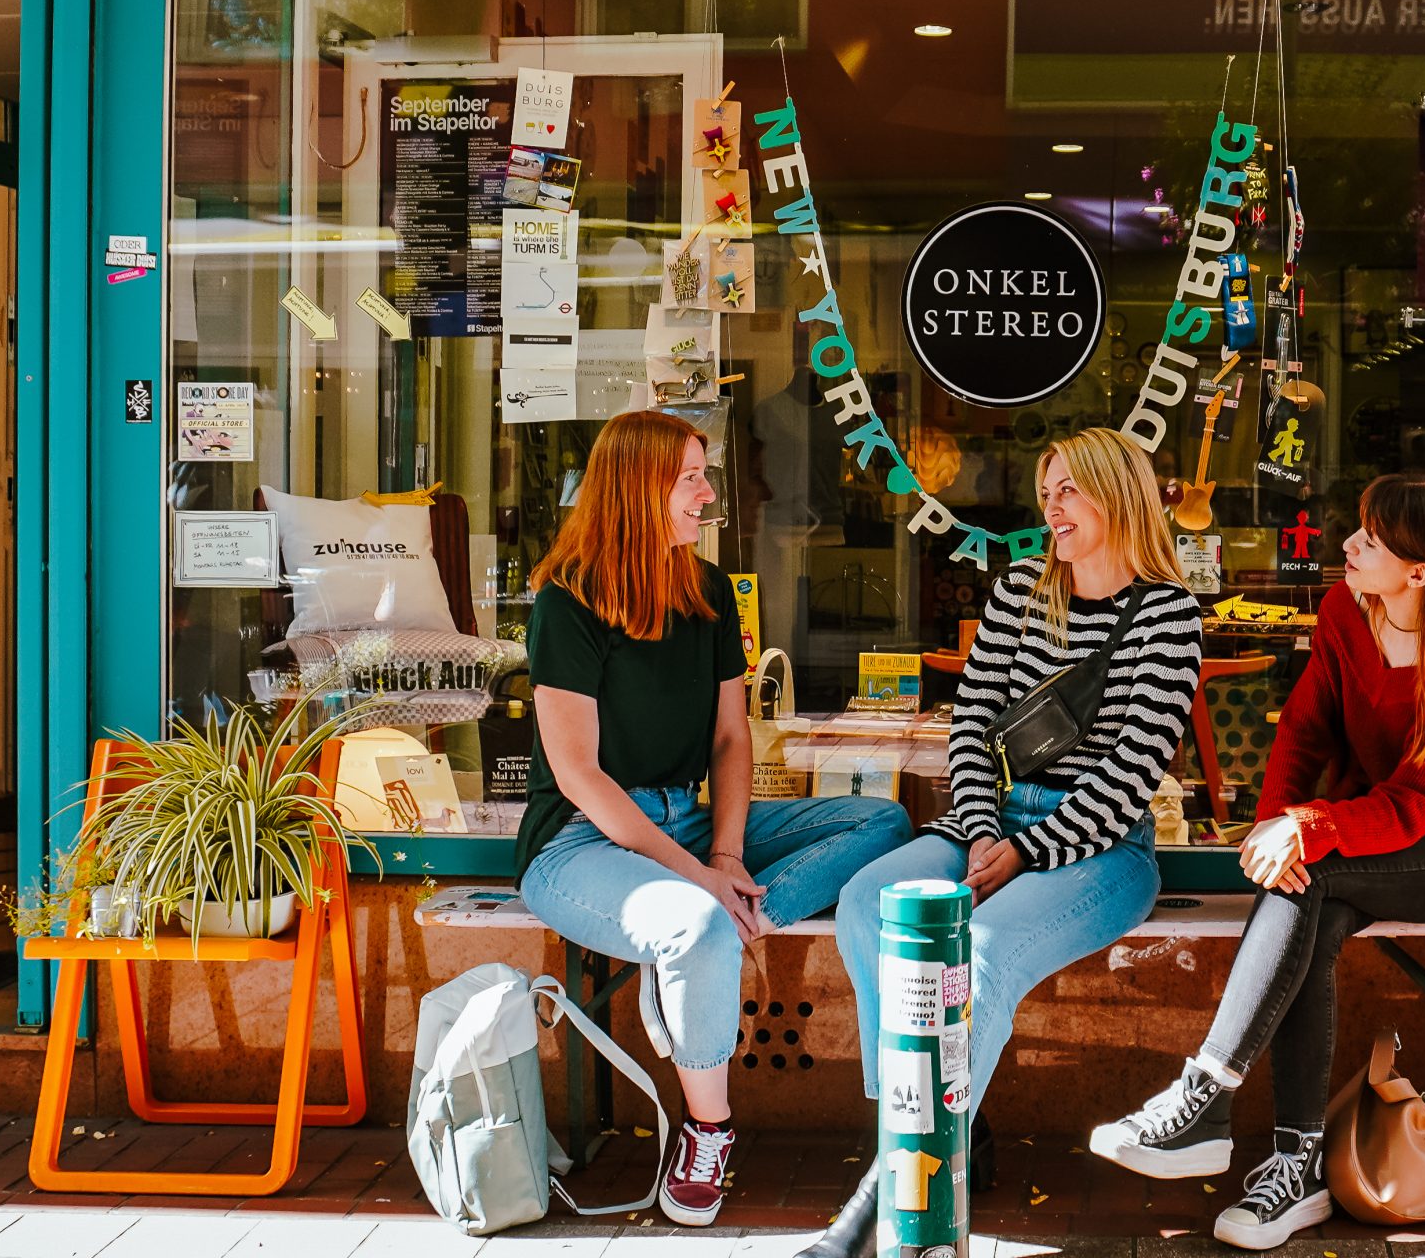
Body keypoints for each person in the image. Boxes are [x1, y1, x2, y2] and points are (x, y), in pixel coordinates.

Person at [801, 427, 1206, 1258]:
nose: (1050, 509)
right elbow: (974, 727)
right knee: (865, 903)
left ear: (1116, 496)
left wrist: (1028, 850)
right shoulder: (1023, 588)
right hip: (986, 823)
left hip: (1100, 848)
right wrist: (987, 830)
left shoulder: (1167, 615)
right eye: (1046, 491)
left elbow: (1131, 775)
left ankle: (882, 1198)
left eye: (1068, 492)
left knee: (977, 952)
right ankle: (936, 1126)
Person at [1089, 472, 1425, 1250]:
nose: (1349, 545)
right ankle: (1295, 1172)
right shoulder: (1344, 610)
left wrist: (1311, 833)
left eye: (1371, 540)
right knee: (1306, 914)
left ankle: (1203, 1098)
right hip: (1356, 831)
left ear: (1418, 572)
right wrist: (1271, 830)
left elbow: (1413, 809)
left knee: (1312, 876)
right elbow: (1305, 729)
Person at [515, 408, 911, 1228]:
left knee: (880, 823)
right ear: (640, 488)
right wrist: (697, 879)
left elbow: (733, 736)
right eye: (691, 476)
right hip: (579, 844)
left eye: (704, 473)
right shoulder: (568, 601)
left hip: (690, 825)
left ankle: (723, 924)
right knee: (693, 923)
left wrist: (725, 855)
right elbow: (580, 777)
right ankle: (708, 1128)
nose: (707, 492)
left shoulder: (706, 591)